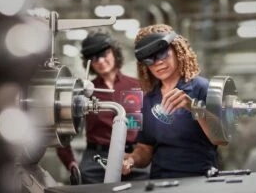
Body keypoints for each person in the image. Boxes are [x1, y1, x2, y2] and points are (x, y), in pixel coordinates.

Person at [122, 24, 226, 179]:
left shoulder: (203, 89)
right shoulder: (149, 98)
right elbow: (145, 148)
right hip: (160, 181)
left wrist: (193, 107)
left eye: (162, 53)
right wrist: (131, 159)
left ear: (177, 51)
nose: (158, 63)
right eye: (149, 59)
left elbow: (220, 138)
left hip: (199, 179)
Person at [57, 30, 149, 184]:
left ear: (114, 52)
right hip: (96, 162)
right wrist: (70, 162)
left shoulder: (138, 86)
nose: (99, 60)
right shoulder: (83, 92)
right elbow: (62, 129)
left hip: (135, 159)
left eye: (104, 53)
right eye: (93, 57)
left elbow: (152, 129)